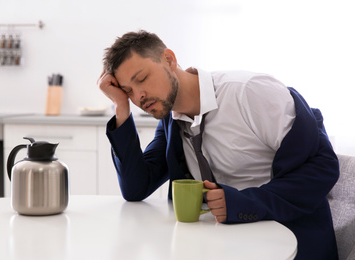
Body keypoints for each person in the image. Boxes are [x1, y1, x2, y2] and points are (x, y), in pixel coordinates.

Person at [97, 30, 339, 260]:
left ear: (169, 59)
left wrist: (244, 203)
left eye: (142, 79)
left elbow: (323, 167)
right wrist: (121, 108)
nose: (139, 95)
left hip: (290, 243)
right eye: (129, 91)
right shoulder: (173, 120)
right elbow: (136, 188)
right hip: (224, 245)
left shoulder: (248, 92)